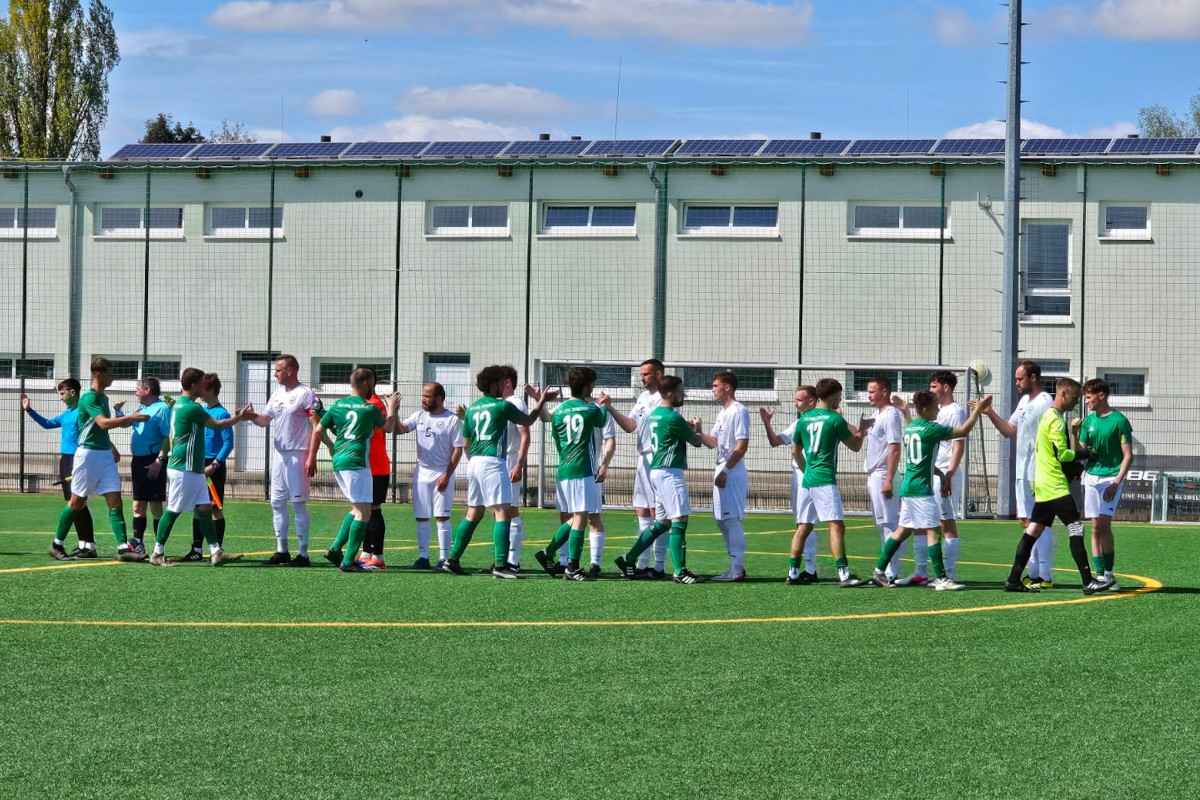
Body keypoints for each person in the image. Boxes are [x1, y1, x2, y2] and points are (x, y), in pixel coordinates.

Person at [442, 366, 557, 578]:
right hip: (493, 462)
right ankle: (502, 565)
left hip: (474, 462)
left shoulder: (473, 409)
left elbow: (466, 442)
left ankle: (452, 559)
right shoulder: (502, 406)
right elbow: (529, 420)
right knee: (503, 511)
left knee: (474, 512)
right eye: (500, 381)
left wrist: (474, 460)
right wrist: (542, 401)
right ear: (494, 384)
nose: (503, 384)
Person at [869, 390, 991, 591]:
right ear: (925, 409)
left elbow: (922, 458)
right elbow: (962, 432)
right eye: (935, 407)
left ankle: (879, 570)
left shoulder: (910, 428)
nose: (938, 410)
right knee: (934, 530)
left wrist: (940, 473)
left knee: (902, 531)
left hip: (909, 487)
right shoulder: (931, 428)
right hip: (920, 490)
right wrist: (977, 411)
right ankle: (942, 579)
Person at [1000, 378, 1112, 595]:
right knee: (1076, 528)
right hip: (1055, 486)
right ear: (1063, 394)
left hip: (1043, 484)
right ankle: (1088, 581)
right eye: (1075, 397)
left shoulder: (1048, 417)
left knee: (1033, 530)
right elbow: (1062, 454)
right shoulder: (1056, 420)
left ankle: (1013, 580)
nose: (1076, 402)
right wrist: (1084, 454)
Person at [533, 367, 634, 581]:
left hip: (564, 469)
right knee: (580, 517)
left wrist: (539, 400)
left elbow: (545, 419)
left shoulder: (561, 410)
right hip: (584, 469)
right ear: (589, 386)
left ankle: (551, 553)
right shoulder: (591, 410)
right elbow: (601, 420)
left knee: (576, 516)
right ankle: (572, 567)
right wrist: (606, 406)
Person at [148, 368, 254, 567]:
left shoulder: (180, 404)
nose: (205, 387)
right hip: (184, 468)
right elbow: (217, 425)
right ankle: (157, 553)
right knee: (172, 510)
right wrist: (240, 417)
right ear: (194, 384)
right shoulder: (192, 408)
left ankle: (215, 551)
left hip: (193, 469)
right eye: (202, 383)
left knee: (205, 508)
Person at [50, 358, 148, 562]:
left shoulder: (103, 397)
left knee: (115, 501)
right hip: (87, 455)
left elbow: (107, 426)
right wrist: (130, 418)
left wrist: (131, 419)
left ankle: (123, 549)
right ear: (99, 375)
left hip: (103, 455)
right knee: (76, 502)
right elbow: (103, 423)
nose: (114, 377)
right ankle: (56, 545)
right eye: (111, 373)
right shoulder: (89, 397)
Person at [614, 375, 706, 584]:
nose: (684, 395)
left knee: (662, 522)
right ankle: (680, 571)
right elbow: (696, 442)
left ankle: (629, 559)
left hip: (656, 471)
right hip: (670, 472)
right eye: (681, 391)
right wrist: (698, 428)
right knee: (680, 520)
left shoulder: (655, 414)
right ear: (671, 393)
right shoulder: (672, 417)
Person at [308, 368, 400, 573]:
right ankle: (348, 561)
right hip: (357, 463)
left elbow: (318, 429)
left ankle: (336, 549)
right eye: (373, 384)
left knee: (357, 509)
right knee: (365, 513)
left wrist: (331, 446)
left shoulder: (338, 405)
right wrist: (392, 408)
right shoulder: (369, 408)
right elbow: (388, 427)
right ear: (366, 383)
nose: (373, 388)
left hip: (340, 462)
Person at [976, 360, 1056, 588]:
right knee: (1026, 522)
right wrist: (989, 412)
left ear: (1033, 378)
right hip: (1022, 471)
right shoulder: (1024, 401)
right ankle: (1033, 573)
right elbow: (1010, 430)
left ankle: (1045, 575)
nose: (1017, 383)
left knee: (1039, 522)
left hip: (1038, 471)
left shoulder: (1045, 402)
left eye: (1020, 379)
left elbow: (1053, 436)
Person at [788, 378, 865, 587]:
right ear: (831, 396)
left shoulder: (803, 420)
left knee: (803, 526)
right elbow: (855, 446)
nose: (840, 399)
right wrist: (862, 430)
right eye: (839, 395)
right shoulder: (834, 419)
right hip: (824, 479)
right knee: (836, 525)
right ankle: (844, 574)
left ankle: (792, 573)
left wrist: (806, 470)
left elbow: (795, 451)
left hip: (808, 480)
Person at [250, 354, 324, 566]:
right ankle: (282, 551)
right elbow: (264, 420)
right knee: (276, 502)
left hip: (298, 455)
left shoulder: (306, 394)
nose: (275, 374)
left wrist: (312, 456)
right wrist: (250, 416)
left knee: (298, 504)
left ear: (290, 371)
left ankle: (303, 554)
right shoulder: (277, 393)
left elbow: (317, 426)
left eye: (278, 370)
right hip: (279, 455)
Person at [22, 379, 96, 558]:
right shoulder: (66, 414)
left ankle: (89, 546)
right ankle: (84, 545)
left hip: (78, 460)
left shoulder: (82, 412)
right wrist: (29, 410)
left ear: (72, 392)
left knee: (78, 503)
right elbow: (47, 424)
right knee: (74, 503)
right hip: (66, 460)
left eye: (62, 393)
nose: (60, 397)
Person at [1072, 378, 1134, 592]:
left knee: (1104, 525)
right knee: (1095, 526)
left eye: (1088, 397)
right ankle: (1099, 575)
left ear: (1101, 395)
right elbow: (1079, 451)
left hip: (1110, 479)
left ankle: (1109, 574)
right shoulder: (1088, 422)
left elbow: (1128, 456)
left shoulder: (1120, 421)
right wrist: (1074, 432)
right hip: (1091, 477)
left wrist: (1116, 483)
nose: (1086, 401)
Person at [394, 382, 463, 570]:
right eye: (423, 396)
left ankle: (444, 559)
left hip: (442, 472)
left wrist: (447, 474)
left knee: (442, 517)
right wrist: (395, 411)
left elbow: (458, 449)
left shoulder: (452, 420)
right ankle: (423, 558)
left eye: (427, 396)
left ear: (439, 398)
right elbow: (400, 429)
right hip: (421, 473)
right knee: (422, 517)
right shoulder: (419, 416)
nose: (423, 400)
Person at [760, 386, 820, 582]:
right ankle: (808, 569)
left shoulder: (825, 419)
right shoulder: (799, 422)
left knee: (807, 522)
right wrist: (767, 423)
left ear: (812, 401)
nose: (795, 404)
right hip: (799, 475)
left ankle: (809, 568)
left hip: (811, 476)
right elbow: (776, 441)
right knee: (802, 521)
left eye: (799, 400)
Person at [700, 371, 751, 582]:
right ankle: (733, 567)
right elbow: (712, 442)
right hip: (721, 469)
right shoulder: (722, 413)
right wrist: (698, 431)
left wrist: (726, 471)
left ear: (727, 387)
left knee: (731, 519)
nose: (712, 389)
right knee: (721, 520)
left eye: (715, 386)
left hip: (732, 472)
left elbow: (742, 446)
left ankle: (737, 569)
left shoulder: (739, 411)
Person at [182, 373, 235, 561]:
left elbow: (228, 443)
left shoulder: (222, 414)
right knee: (198, 507)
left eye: (203, 388)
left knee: (215, 508)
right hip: (198, 465)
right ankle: (196, 550)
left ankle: (217, 549)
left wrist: (214, 465)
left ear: (211, 390)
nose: (199, 391)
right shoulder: (200, 411)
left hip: (214, 466)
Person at [116, 377, 172, 555]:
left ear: (147, 390)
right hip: (138, 462)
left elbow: (168, 437)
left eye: (137, 389)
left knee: (155, 507)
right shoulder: (140, 408)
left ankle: (158, 547)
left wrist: (159, 461)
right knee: (138, 506)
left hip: (154, 462)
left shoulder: (162, 409)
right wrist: (117, 410)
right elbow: (125, 422)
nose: (135, 393)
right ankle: (138, 544)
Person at [860, 377, 905, 583]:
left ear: (884, 392)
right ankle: (888, 569)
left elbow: (895, 448)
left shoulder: (890, 414)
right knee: (882, 523)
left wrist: (888, 480)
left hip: (883, 474)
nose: (868, 395)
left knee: (889, 523)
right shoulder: (876, 414)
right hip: (874, 475)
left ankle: (891, 572)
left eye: (872, 391)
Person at [631, 359, 670, 579]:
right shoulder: (643, 398)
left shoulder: (665, 398)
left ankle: (659, 565)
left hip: (657, 459)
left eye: (645, 374)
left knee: (658, 514)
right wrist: (608, 409)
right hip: (642, 459)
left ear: (658, 374)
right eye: (641, 374)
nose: (642, 377)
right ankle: (643, 563)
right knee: (642, 511)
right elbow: (631, 425)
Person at [929, 370, 968, 580]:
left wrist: (949, 476)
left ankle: (949, 573)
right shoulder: (934, 411)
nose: (931, 390)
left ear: (946, 388)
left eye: (934, 386)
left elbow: (958, 447)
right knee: (930, 524)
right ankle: (928, 572)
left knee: (946, 522)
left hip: (945, 473)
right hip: (932, 473)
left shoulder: (956, 411)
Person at [358, 368, 393, 570]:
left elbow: (383, 428)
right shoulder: (365, 404)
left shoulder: (375, 405)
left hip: (376, 465)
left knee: (373, 509)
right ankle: (366, 553)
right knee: (364, 509)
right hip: (365, 465)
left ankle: (378, 557)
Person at [500, 366, 532, 569]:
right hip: (497, 461)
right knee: (499, 510)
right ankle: (502, 559)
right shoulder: (498, 403)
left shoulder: (517, 403)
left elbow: (525, 436)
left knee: (511, 509)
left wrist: (519, 464)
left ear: (508, 382)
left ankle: (513, 560)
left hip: (510, 460)